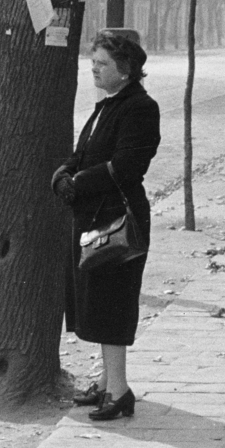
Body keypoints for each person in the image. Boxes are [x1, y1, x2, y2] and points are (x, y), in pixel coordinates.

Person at [51, 28, 161, 421]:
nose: (94, 70)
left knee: (112, 305)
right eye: (93, 63)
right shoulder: (108, 104)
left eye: (102, 64)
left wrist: (77, 183)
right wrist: (63, 174)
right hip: (93, 217)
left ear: (126, 69)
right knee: (94, 303)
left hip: (119, 220)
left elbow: (126, 166)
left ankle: (120, 391)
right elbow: (83, 153)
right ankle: (105, 382)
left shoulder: (140, 108)